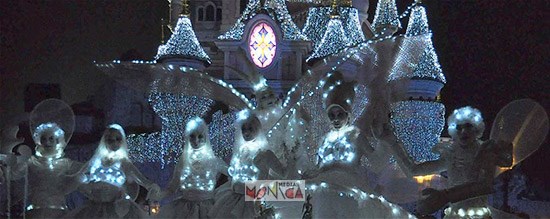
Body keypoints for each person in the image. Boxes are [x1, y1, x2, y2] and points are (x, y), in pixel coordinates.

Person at [387, 106, 513, 218]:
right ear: (454, 132)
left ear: (476, 129)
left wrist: (445, 196)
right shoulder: (450, 156)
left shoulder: (486, 151)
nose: (463, 131)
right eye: (459, 127)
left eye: (468, 126)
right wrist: (392, 142)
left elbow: (484, 186)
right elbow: (413, 170)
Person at [67, 124, 160, 218]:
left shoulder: (123, 162)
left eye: (118, 139)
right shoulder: (96, 160)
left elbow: (140, 178)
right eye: (110, 140)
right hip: (95, 205)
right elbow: (79, 175)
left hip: (116, 206)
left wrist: (151, 187)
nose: (114, 143)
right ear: (104, 141)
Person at [7, 123, 83, 218]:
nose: (47, 142)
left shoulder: (66, 163)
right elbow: (12, 175)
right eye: (44, 139)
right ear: (39, 141)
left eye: (51, 138)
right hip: (36, 211)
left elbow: (85, 170)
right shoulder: (32, 161)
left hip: (59, 212)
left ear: (57, 140)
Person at [157, 117, 228, 218]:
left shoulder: (213, 161)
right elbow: (172, 187)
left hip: (209, 210)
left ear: (206, 137)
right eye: (192, 136)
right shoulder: (183, 162)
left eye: (200, 136)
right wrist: (157, 195)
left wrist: (254, 195)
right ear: (187, 137)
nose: (196, 140)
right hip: (184, 210)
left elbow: (237, 176)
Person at [209, 110, 269, 218]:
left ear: (258, 129)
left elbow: (264, 179)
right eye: (244, 129)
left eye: (250, 129)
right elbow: (234, 172)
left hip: (250, 200)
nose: (246, 133)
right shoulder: (242, 150)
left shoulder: (262, 154)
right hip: (234, 195)